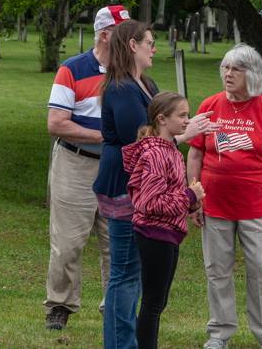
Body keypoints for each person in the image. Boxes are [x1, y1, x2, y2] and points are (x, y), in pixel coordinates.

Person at [93, 19, 216, 349]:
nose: (154, 47)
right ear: (133, 46)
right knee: (125, 274)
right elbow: (144, 143)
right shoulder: (120, 88)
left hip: (141, 191)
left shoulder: (145, 84)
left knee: (134, 275)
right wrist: (188, 133)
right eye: (149, 42)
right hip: (122, 188)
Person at [187, 44, 262, 349]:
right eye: (225, 68)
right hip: (215, 205)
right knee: (217, 271)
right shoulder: (210, 105)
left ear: (254, 74)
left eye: (236, 69)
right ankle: (219, 334)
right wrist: (194, 198)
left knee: (260, 271)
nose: (228, 74)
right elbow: (194, 153)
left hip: (256, 207)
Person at [44, 5, 129, 330]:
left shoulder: (130, 73)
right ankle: (60, 306)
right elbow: (56, 123)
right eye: (125, 32)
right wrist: (106, 135)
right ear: (106, 34)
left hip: (116, 167)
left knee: (117, 241)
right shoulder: (73, 69)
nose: (132, 39)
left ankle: (115, 308)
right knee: (68, 241)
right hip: (75, 163)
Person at [124, 92, 205, 349]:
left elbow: (169, 196)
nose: (187, 121)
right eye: (181, 115)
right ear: (161, 118)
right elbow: (150, 203)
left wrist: (191, 201)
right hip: (153, 233)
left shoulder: (170, 150)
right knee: (152, 303)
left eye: (187, 115)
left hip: (168, 233)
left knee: (158, 302)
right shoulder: (155, 155)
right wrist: (189, 194)